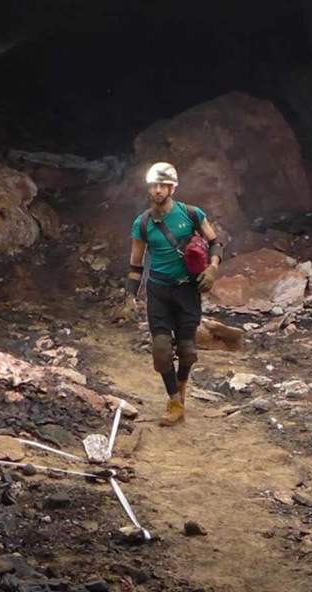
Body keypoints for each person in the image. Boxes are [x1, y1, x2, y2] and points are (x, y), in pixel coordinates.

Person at [123, 162, 223, 426]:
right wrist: (129, 297)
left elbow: (214, 242)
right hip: (159, 291)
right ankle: (174, 401)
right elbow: (136, 263)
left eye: (162, 186)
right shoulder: (142, 223)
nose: (156, 190)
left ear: (172, 188)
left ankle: (182, 388)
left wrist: (212, 269)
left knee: (188, 350)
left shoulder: (191, 214)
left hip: (187, 290)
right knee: (161, 350)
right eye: (153, 186)